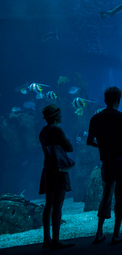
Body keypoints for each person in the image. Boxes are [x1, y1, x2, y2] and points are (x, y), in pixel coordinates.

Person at [87, 86, 122, 245]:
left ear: (105, 100)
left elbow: (89, 141)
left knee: (106, 195)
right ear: (118, 100)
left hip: (106, 161)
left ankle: (99, 233)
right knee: (121, 195)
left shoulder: (96, 118)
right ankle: (116, 234)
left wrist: (102, 147)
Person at [39, 104, 75, 250]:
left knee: (48, 205)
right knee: (58, 205)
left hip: (47, 170)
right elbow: (69, 148)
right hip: (59, 171)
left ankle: (46, 239)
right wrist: (67, 140)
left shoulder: (43, 131)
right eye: (59, 114)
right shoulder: (57, 129)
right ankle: (56, 241)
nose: (61, 116)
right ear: (55, 116)